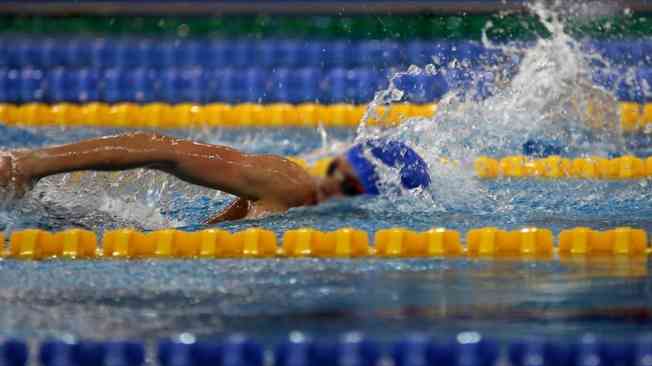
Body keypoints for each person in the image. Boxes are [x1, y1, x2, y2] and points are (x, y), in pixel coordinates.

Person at [0, 132, 430, 223]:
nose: (330, 186)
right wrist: (34, 164)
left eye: (350, 187)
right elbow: (158, 148)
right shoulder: (288, 182)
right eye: (336, 170)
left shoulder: (310, 211)